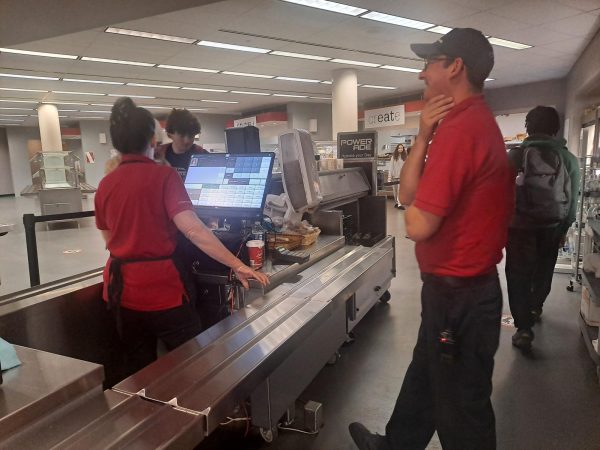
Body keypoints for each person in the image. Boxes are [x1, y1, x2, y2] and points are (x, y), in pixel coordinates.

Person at [349, 28, 514, 450]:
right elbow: (406, 196)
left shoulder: (463, 130)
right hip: (451, 292)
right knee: (425, 377)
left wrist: (420, 199)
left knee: (462, 409)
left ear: (454, 67)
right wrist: (422, 136)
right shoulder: (459, 124)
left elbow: (417, 224)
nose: (422, 75)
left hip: (461, 297)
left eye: (429, 64)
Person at [95, 97, 269, 379]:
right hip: (163, 291)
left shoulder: (105, 184)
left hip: (120, 292)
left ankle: (149, 418)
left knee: (140, 371)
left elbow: (108, 238)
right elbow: (194, 230)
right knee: (191, 365)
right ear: (153, 140)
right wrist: (237, 265)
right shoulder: (164, 177)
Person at [506, 106, 579, 352]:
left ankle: (523, 328)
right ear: (555, 128)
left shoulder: (516, 155)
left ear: (528, 127)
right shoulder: (567, 158)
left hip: (518, 227)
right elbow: (573, 200)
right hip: (552, 225)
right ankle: (536, 307)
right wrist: (564, 229)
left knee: (517, 275)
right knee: (543, 269)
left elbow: (500, 194)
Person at [154, 108, 207, 179]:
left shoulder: (202, 154)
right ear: (170, 135)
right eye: (182, 136)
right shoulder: (158, 154)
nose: (187, 141)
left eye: (191, 136)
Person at [388, 144, 406, 210]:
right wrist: (389, 178)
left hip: (401, 177)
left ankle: (399, 204)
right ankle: (396, 202)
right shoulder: (393, 157)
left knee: (399, 191)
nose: (400, 149)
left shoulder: (405, 157)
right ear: (397, 149)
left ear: (403, 149)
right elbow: (391, 167)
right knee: (395, 191)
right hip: (394, 177)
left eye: (401, 148)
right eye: (399, 148)